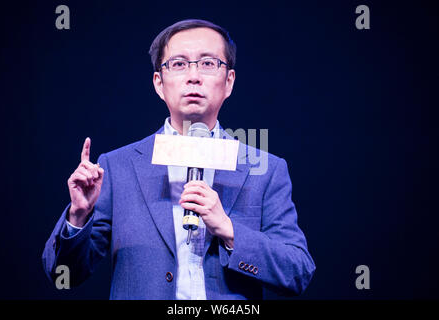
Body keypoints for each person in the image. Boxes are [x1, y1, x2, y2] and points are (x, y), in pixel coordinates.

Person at [42, 19, 315, 300]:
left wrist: (229, 231)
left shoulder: (265, 170)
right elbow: (65, 274)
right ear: (159, 83)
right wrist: (78, 215)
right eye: (179, 64)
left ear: (229, 82)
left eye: (208, 63)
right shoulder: (117, 166)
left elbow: (297, 272)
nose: (193, 76)